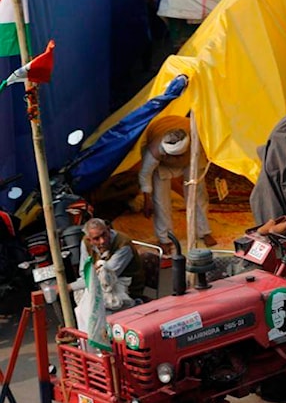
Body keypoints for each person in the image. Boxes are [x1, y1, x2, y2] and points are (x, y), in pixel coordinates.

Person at [139, 115, 217, 255]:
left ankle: (203, 231)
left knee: (198, 195)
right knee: (161, 202)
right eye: (173, 157)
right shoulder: (154, 150)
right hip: (162, 166)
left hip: (192, 160)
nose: (176, 160)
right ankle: (165, 239)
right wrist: (147, 199)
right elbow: (145, 174)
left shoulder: (196, 140)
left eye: (179, 156)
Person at [73, 217, 146, 307]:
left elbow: (107, 278)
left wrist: (70, 286)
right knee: (82, 296)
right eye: (96, 239)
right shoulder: (86, 242)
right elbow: (83, 273)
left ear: (108, 229)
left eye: (104, 235)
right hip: (101, 280)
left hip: (127, 285)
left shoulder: (123, 244)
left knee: (102, 301)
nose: (102, 241)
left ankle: (134, 304)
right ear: (89, 240)